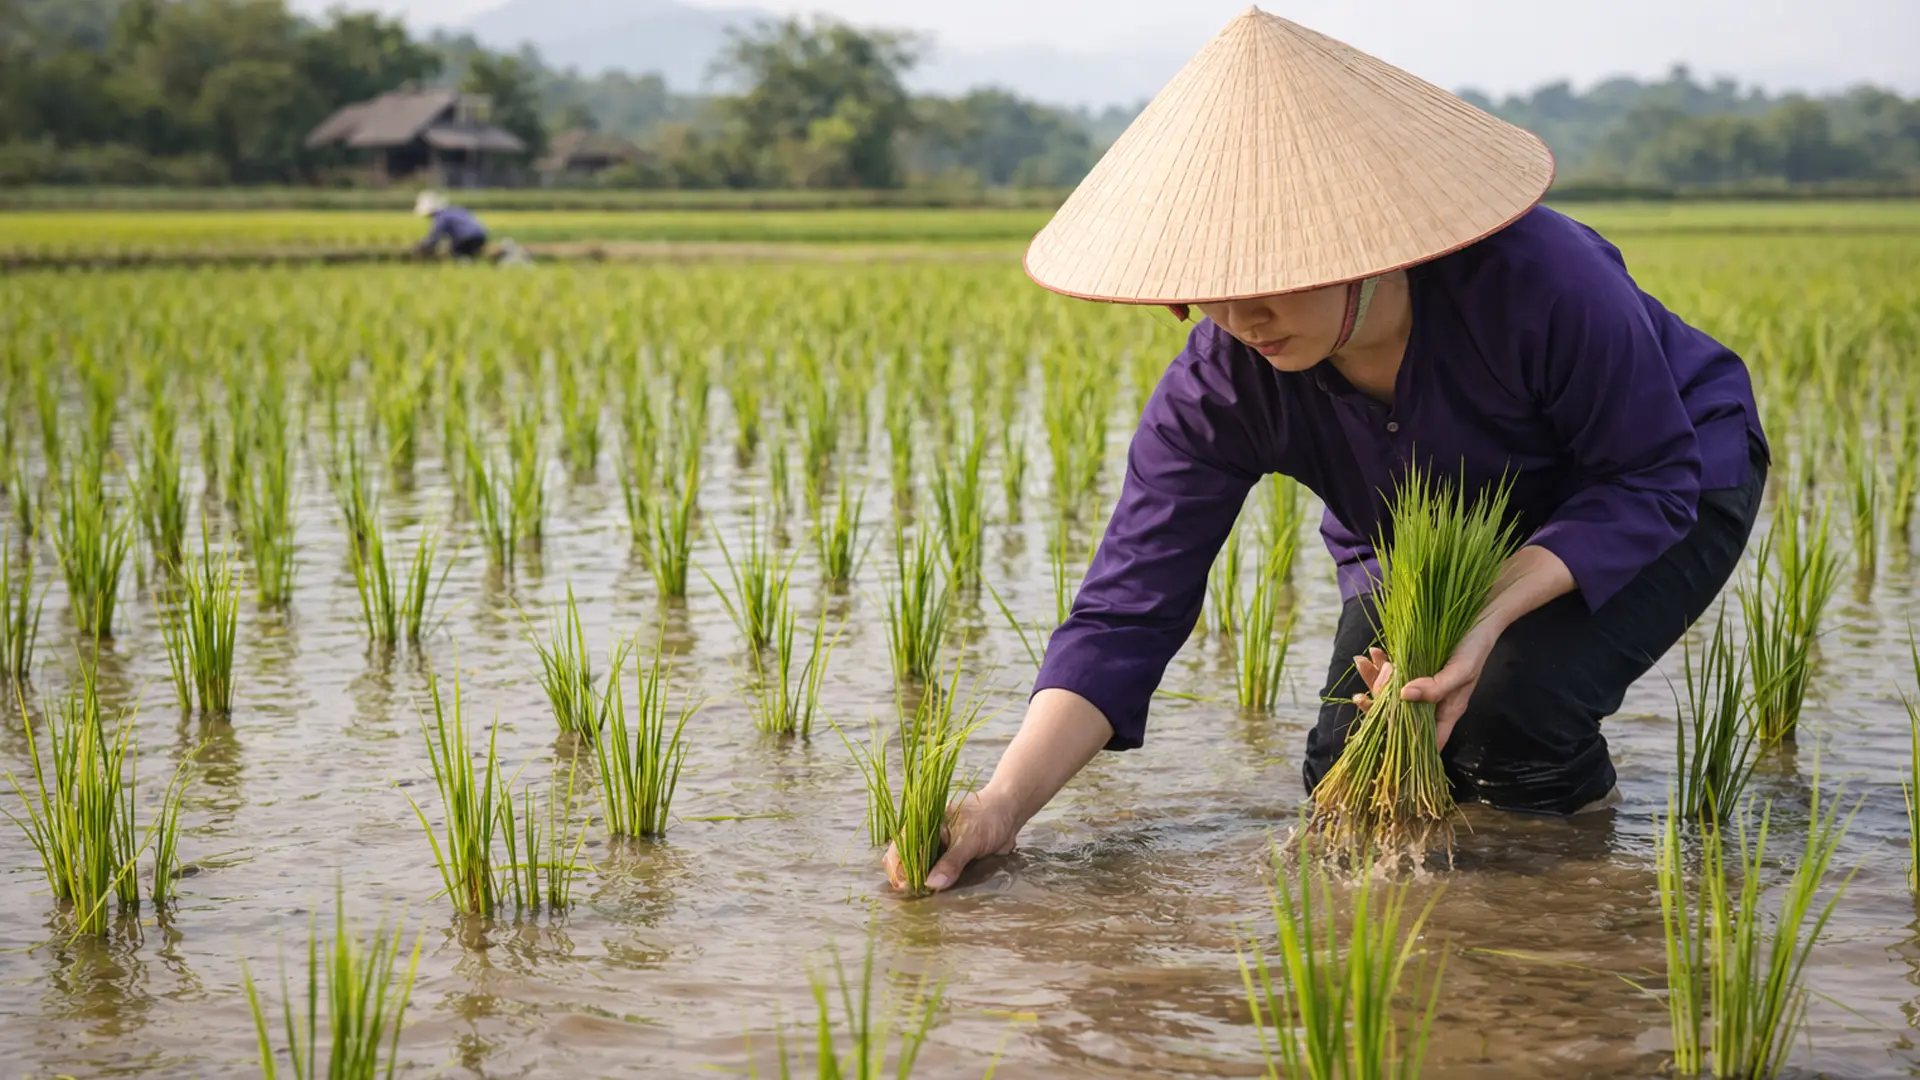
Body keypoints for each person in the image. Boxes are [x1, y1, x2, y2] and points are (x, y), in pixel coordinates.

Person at [883, 7, 1768, 893]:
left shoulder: (1542, 280)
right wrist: (1001, 802)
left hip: (1662, 479)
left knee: (1516, 709)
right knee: (1353, 755)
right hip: (1427, 538)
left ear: (1363, 238)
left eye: (1266, 277)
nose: (1239, 318)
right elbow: (1127, 608)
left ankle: (1560, 908)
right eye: (1210, 288)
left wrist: (1485, 616)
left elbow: (1650, 475)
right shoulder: (1222, 383)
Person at [413, 190, 489, 259]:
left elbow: (435, 236)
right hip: (481, 235)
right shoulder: (455, 210)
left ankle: (464, 263)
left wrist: (423, 246)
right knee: (470, 252)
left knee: (457, 252)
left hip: (466, 237)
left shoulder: (441, 217)